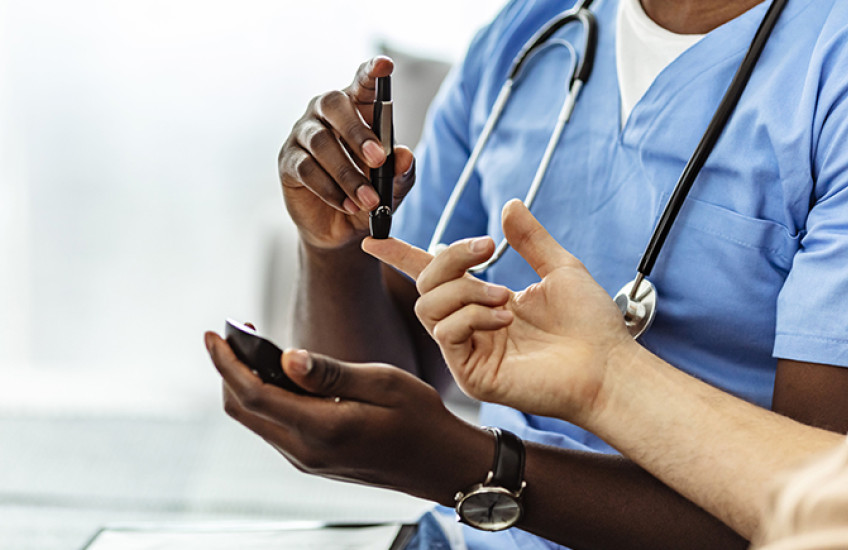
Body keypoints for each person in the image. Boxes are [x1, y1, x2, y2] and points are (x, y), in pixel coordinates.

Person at [206, 0, 848, 548]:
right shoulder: (530, 31)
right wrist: (334, 248)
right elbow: (391, 373)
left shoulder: (826, 65)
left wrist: (475, 467)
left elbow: (817, 510)